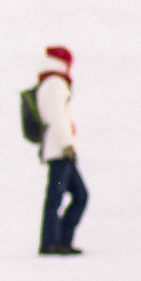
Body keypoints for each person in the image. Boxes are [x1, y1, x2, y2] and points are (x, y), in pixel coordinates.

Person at [35, 45, 88, 255]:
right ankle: (51, 243)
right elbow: (57, 117)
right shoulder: (55, 84)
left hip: (60, 151)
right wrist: (67, 144)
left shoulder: (49, 83)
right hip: (60, 152)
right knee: (60, 198)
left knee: (76, 195)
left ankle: (60, 240)